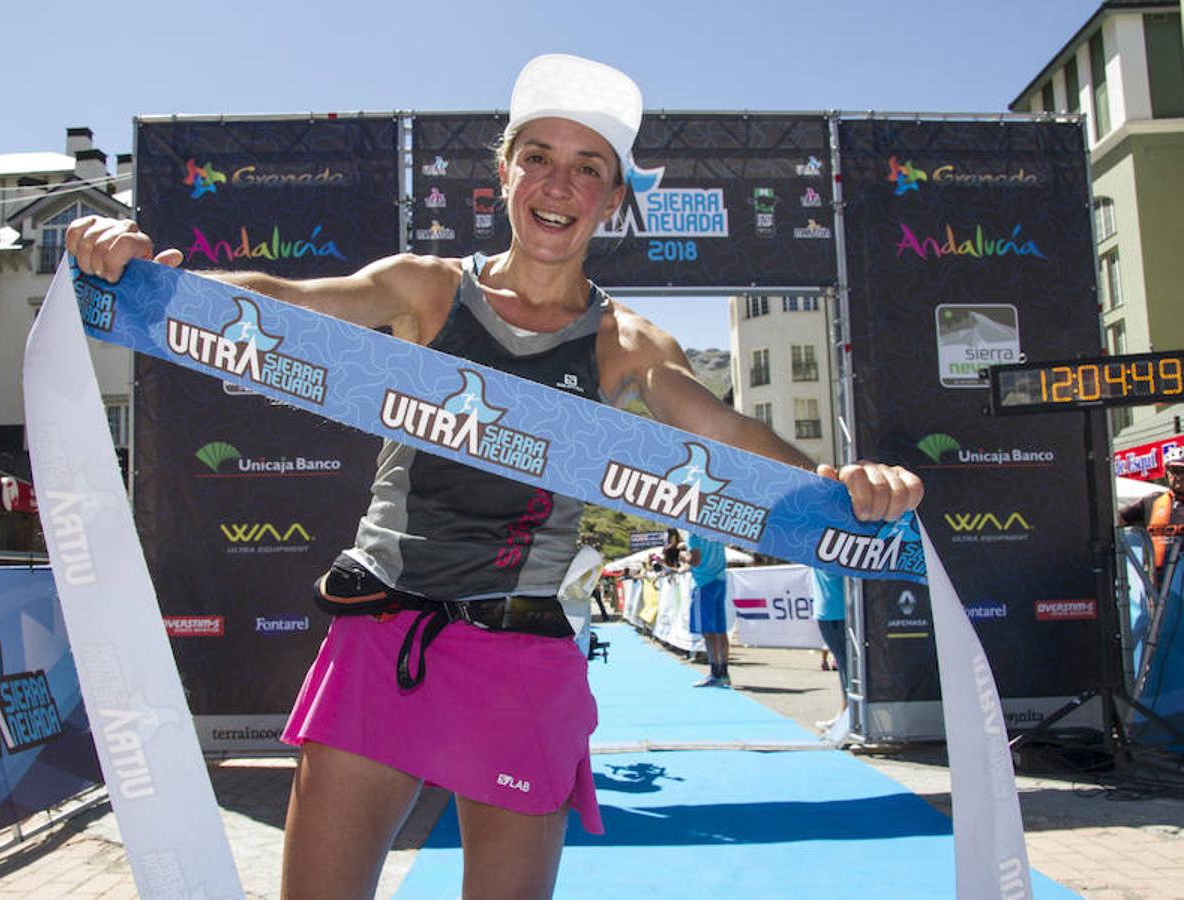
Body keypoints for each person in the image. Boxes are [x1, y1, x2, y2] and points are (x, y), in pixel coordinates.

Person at [66, 53, 923, 900]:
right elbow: (285, 303)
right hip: (383, 632)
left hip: (519, 660)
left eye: (588, 169)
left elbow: (727, 434)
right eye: (539, 160)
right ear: (504, 175)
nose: (559, 186)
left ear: (614, 197)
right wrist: (151, 284)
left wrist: (845, 491)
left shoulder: (627, 343)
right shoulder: (426, 290)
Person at [1118, 455, 1184, 592]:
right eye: (1174, 471)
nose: (1178, 476)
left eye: (1182, 471)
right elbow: (1117, 519)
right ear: (1167, 475)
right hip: (1156, 579)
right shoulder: (1152, 501)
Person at [686, 530, 732, 687]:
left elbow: (695, 560)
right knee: (720, 630)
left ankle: (715, 673)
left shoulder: (694, 533)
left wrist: (683, 557)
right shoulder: (717, 530)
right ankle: (724, 673)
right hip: (720, 579)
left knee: (708, 632)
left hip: (703, 582)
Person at [811, 568, 848, 719]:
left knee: (846, 665)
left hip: (835, 613)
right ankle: (846, 712)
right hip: (830, 612)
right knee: (844, 665)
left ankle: (846, 713)